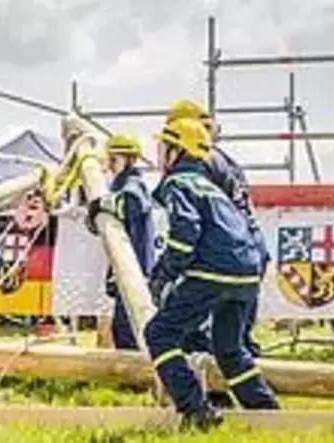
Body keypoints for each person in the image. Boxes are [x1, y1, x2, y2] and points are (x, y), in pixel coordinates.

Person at [144, 118, 279, 432]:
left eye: (163, 146)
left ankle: (196, 410)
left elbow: (184, 233)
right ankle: (267, 413)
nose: (158, 153)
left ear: (177, 151)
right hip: (247, 275)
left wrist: (163, 275)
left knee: (160, 334)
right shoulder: (214, 187)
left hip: (212, 273)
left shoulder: (179, 182)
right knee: (229, 349)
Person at [166, 99, 268, 360]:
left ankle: (210, 392)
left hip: (226, 255)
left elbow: (194, 224)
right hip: (248, 249)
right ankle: (249, 390)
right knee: (236, 337)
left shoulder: (201, 163)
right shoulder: (224, 160)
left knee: (200, 332)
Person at [86, 134, 155, 349]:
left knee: (127, 327)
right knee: (124, 326)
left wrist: (103, 203)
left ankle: (135, 377)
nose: (110, 164)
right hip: (127, 266)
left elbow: (131, 203)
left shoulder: (133, 185)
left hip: (136, 267)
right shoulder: (119, 186)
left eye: (113, 159)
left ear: (128, 159)